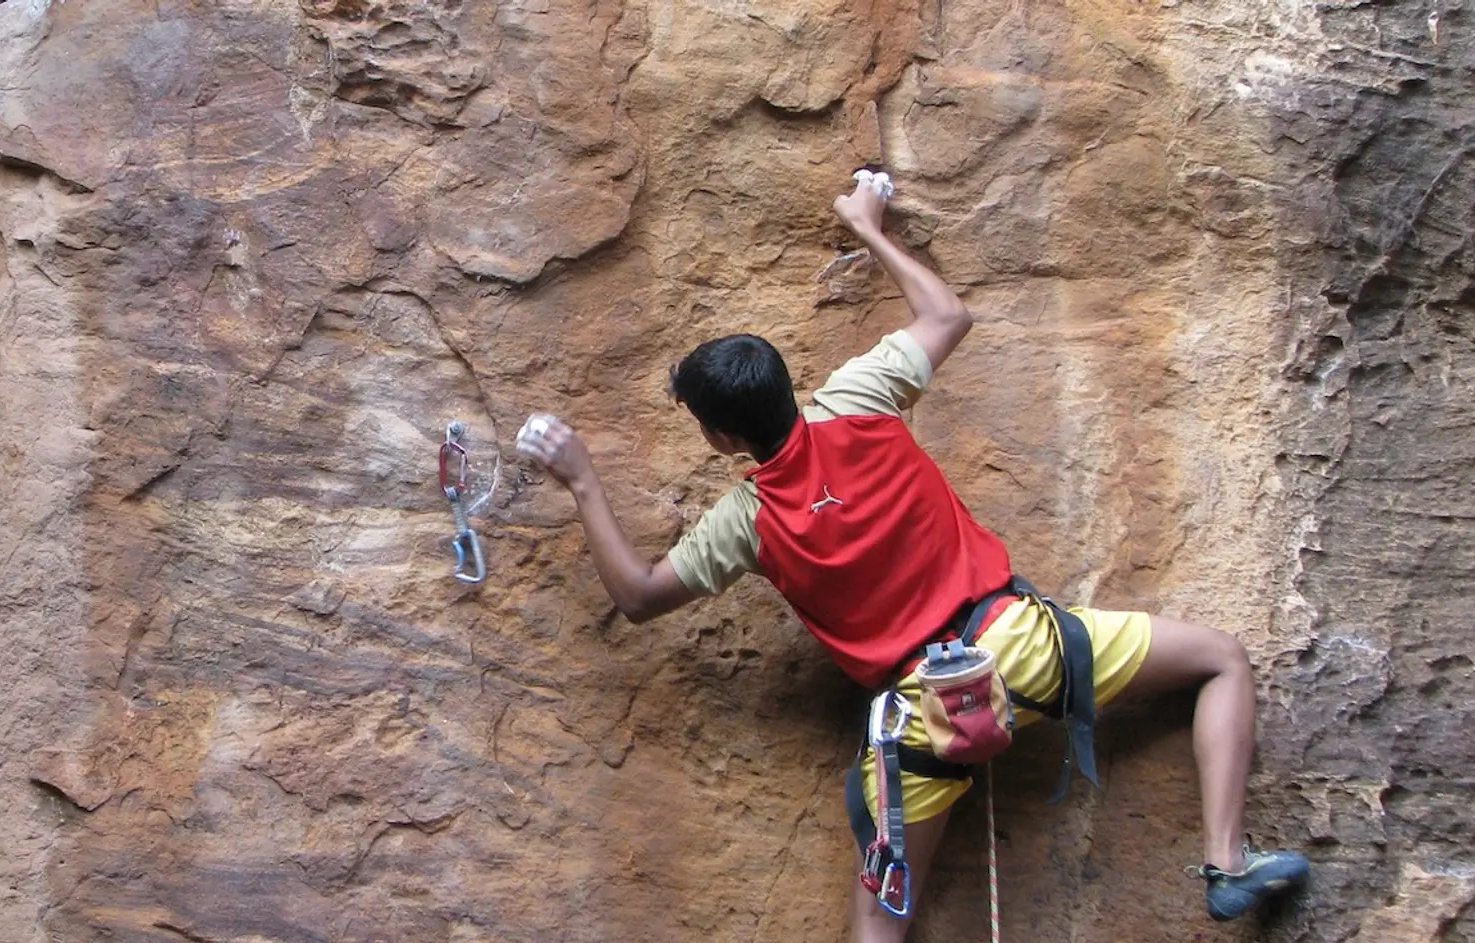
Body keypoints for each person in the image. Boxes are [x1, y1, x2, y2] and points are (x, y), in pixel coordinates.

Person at [517, 172, 1308, 939]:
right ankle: (1225, 861)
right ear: (786, 385)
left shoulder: (746, 522)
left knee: (880, 923)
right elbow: (947, 314)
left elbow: (639, 593)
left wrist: (583, 479)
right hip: (1020, 647)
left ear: (722, 438)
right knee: (1221, 659)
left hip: (919, 715)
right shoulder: (857, 399)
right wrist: (868, 227)